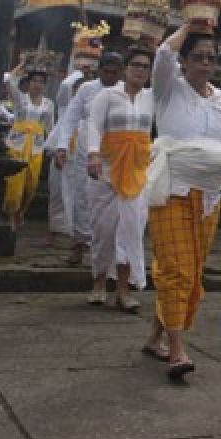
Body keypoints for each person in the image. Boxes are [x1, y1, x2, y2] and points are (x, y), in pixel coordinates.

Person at [144, 25, 221, 379]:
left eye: (211, 58)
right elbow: (162, 55)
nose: (205, 64)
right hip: (171, 189)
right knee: (177, 270)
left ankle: (156, 337)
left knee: (192, 272)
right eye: (198, 57)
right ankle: (178, 350)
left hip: (210, 198)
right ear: (184, 62)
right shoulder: (169, 89)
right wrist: (195, 20)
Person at [82, 47, 154, 312]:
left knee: (132, 229)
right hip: (107, 170)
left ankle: (124, 289)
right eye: (135, 65)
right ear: (126, 68)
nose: (140, 70)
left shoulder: (151, 98)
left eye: (146, 66)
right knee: (103, 229)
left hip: (137, 171)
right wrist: (92, 154)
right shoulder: (107, 95)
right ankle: (99, 283)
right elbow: (94, 126)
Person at [53, 53, 124, 269]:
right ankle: (79, 243)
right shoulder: (86, 89)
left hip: (115, 147)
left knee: (110, 199)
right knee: (82, 195)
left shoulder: (126, 89)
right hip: (86, 146)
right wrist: (62, 146)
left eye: (115, 72)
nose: (110, 76)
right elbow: (70, 118)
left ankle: (108, 250)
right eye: (106, 72)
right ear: (99, 70)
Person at [49, 55, 99, 244]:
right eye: (76, 88)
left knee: (82, 194)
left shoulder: (96, 108)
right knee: (57, 194)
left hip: (84, 155)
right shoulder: (65, 104)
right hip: (64, 154)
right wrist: (79, 70)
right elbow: (64, 87)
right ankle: (54, 231)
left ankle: (80, 237)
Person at [3, 61, 55, 230]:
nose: (37, 85)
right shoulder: (20, 99)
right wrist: (22, 64)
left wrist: (52, 147)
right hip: (17, 143)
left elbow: (50, 127)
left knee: (32, 183)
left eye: (41, 82)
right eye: (34, 81)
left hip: (36, 146)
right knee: (14, 182)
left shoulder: (48, 104)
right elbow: (9, 80)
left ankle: (22, 211)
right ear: (29, 83)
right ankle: (11, 215)